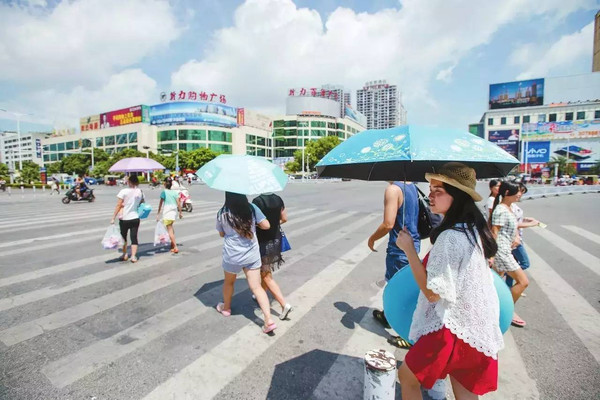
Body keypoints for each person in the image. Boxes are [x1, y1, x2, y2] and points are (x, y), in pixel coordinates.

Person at [395, 162, 503, 399]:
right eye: (431, 189)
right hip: (475, 326)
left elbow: (433, 293)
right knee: (464, 392)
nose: (431, 196)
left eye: (438, 191)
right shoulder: (471, 228)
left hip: (451, 326)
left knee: (406, 376)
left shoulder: (450, 238)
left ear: (457, 197)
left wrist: (409, 251)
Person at [215, 191, 277, 334]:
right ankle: (268, 320)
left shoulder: (222, 212)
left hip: (232, 254)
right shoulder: (252, 208)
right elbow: (266, 225)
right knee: (256, 287)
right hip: (251, 254)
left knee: (229, 282)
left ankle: (226, 308)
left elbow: (221, 233)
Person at [367, 180, 420, 348]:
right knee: (400, 285)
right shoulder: (412, 186)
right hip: (412, 243)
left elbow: (388, 224)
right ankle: (388, 316)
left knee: (399, 291)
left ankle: (407, 334)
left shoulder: (393, 189)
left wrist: (372, 239)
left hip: (399, 248)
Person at [490, 181, 529, 327]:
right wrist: (492, 255)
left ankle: (493, 310)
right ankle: (505, 310)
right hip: (501, 252)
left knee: (496, 284)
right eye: (517, 191)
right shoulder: (501, 209)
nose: (519, 194)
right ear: (507, 193)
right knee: (523, 281)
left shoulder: (508, 208)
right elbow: (495, 232)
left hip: (505, 250)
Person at [252, 193, 293, 320]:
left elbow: (254, 223)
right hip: (275, 239)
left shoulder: (257, 201)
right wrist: (274, 224)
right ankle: (261, 294)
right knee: (265, 271)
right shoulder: (278, 199)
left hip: (262, 241)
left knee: (266, 274)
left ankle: (283, 304)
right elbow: (284, 219)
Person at [505, 183, 538, 290]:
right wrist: (531, 224)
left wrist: (526, 219)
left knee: (513, 262)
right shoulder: (506, 206)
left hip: (516, 239)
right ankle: (505, 272)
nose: (520, 195)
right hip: (514, 240)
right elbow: (512, 223)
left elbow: (516, 220)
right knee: (524, 263)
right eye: (519, 191)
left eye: (522, 193)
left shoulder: (513, 206)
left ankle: (510, 288)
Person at [111, 175, 144, 263]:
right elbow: (142, 202)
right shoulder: (140, 191)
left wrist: (113, 217)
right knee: (134, 237)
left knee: (123, 237)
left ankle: (125, 254)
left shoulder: (124, 191)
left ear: (129, 182)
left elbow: (118, 205)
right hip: (135, 217)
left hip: (124, 218)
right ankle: (133, 256)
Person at [156, 177, 183, 254]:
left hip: (167, 213)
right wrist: (180, 213)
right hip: (173, 213)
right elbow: (178, 203)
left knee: (170, 230)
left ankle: (175, 247)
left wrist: (158, 214)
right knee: (171, 228)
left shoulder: (164, 192)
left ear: (165, 184)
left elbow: (160, 204)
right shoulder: (175, 192)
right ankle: (172, 245)